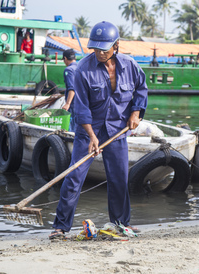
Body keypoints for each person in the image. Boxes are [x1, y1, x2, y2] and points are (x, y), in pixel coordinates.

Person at [49, 21, 148, 239]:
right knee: (75, 176)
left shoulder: (130, 65)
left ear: (116, 45)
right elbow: (81, 108)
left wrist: (136, 112)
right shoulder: (82, 70)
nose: (100, 53)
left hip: (116, 130)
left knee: (119, 177)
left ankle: (121, 223)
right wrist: (92, 136)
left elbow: (141, 88)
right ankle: (60, 226)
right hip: (88, 131)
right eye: (95, 48)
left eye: (104, 49)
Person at [61, 49, 77, 132]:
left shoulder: (69, 70)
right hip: (82, 103)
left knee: (72, 128)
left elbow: (72, 88)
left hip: (74, 104)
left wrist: (67, 103)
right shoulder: (80, 67)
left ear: (65, 58)